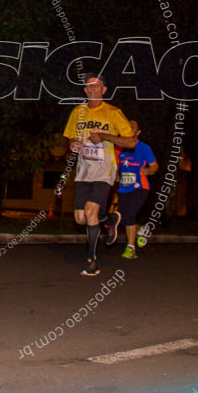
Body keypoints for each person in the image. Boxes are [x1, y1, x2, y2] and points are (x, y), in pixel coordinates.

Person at [63, 74, 137, 276]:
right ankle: (109, 219)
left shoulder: (113, 112)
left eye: (97, 86)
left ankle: (92, 261)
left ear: (104, 90)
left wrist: (104, 136)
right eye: (89, 86)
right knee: (80, 218)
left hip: (105, 170)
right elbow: (70, 137)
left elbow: (131, 142)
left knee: (89, 210)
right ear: (85, 90)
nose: (93, 89)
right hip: (83, 171)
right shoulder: (77, 112)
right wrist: (72, 144)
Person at [115, 120, 158, 259]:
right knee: (123, 218)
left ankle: (131, 249)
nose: (129, 128)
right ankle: (142, 230)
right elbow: (115, 165)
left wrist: (148, 170)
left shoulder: (144, 148)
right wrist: (115, 175)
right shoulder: (118, 148)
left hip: (140, 187)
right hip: (123, 188)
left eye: (132, 127)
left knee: (130, 215)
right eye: (127, 126)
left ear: (138, 132)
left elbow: (155, 166)